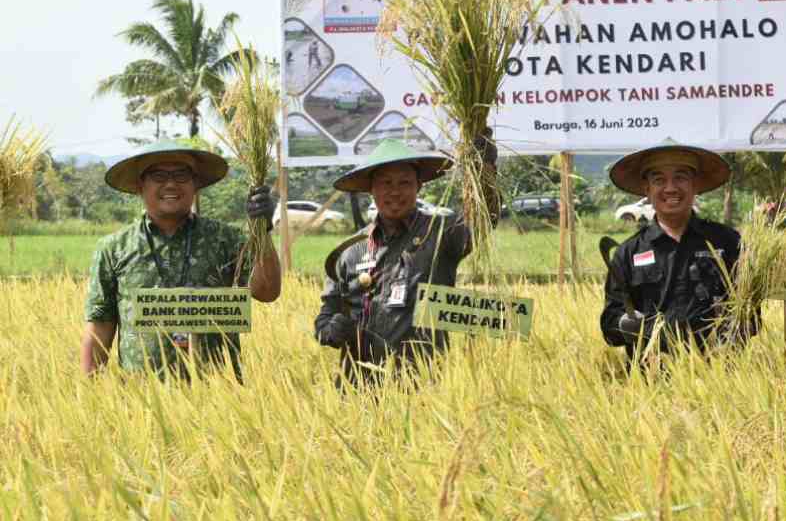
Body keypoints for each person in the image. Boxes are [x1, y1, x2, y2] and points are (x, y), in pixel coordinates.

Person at [80, 142, 281, 379]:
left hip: (220, 398)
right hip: (140, 399)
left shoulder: (226, 239)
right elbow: (100, 325)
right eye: (158, 175)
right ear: (139, 185)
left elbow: (267, 291)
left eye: (181, 175)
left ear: (195, 184)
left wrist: (263, 229)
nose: (171, 183)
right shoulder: (114, 249)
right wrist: (90, 393)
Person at [314, 137, 496, 387]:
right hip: (357, 387)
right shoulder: (350, 251)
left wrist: (484, 168)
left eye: (405, 183)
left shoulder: (442, 234)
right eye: (385, 183)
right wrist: (331, 330)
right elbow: (326, 316)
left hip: (424, 386)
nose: (395, 191)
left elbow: (485, 217)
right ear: (371, 189)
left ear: (418, 186)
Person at [600, 140, 755, 358]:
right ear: (647, 189)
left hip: (720, 375)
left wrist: (730, 336)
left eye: (680, 177)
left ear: (695, 185)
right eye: (659, 180)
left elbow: (751, 309)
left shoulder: (727, 242)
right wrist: (627, 323)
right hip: (649, 379)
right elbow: (610, 323)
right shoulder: (628, 252)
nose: (670, 188)